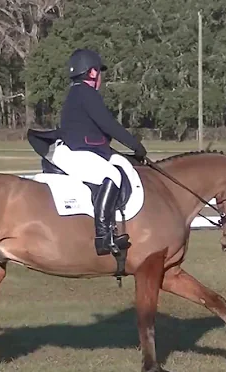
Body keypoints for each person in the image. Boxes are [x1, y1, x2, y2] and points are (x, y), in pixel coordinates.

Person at [51, 48, 148, 256]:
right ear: (92, 73)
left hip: (79, 150)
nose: (100, 77)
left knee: (119, 166)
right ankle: (103, 237)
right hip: (76, 153)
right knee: (111, 174)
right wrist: (136, 146)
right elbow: (108, 125)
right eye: (99, 72)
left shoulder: (76, 93)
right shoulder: (86, 93)